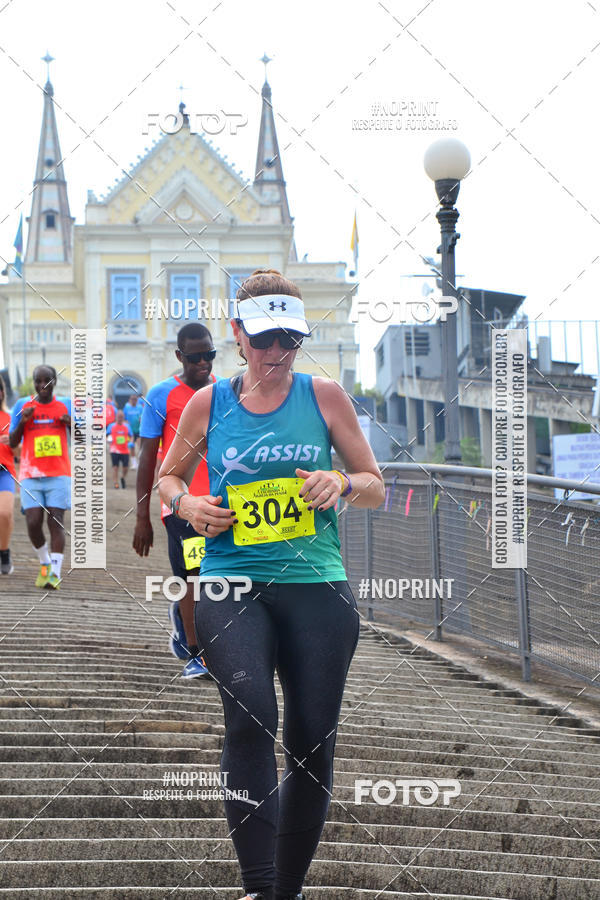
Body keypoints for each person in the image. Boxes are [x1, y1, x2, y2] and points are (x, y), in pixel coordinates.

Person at [158, 269, 385, 900]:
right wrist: (187, 505)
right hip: (231, 582)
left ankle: (286, 890)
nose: (277, 352)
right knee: (251, 715)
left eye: (290, 339)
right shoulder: (209, 404)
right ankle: (259, 887)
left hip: (317, 585)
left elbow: (374, 484)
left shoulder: (326, 397)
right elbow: (167, 481)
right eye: (264, 339)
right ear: (238, 334)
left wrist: (341, 482)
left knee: (311, 744)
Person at [134, 322, 217, 679]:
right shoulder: (161, 395)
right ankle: (197, 654)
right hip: (180, 502)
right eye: (195, 357)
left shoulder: (226, 392)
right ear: (179, 356)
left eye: (209, 355)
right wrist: (142, 518)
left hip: (223, 501)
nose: (203, 363)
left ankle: (190, 626)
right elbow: (147, 459)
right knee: (193, 577)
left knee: (223, 579)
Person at [9, 365, 71, 589]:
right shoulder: (22, 405)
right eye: (38, 380)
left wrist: (71, 424)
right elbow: (13, 442)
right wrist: (23, 421)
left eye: (47, 380)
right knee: (33, 522)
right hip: (30, 474)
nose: (42, 385)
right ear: (34, 382)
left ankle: (54, 573)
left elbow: (83, 437)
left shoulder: (66, 405)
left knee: (56, 521)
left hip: (58, 473)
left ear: (55, 381)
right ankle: (45, 562)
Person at [0, 375, 16, 575]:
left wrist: (12, 442)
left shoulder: (10, 418)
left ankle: (4, 553)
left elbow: (20, 451)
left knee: (4, 513)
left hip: (4, 471)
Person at [107, 410, 134, 489]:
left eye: (121, 417)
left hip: (125, 450)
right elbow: (107, 435)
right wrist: (108, 439)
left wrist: (131, 442)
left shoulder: (127, 426)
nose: (120, 418)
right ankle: (116, 483)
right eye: (118, 417)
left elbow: (131, 436)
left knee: (125, 468)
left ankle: (122, 477)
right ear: (116, 417)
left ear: (123, 417)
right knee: (115, 467)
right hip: (114, 450)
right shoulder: (111, 426)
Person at [123, 393, 142, 469]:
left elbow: (143, 416)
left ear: (137, 400)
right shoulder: (127, 407)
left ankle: (140, 462)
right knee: (132, 447)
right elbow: (124, 418)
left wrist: (141, 420)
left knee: (140, 446)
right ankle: (134, 463)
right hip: (130, 431)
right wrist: (126, 422)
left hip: (139, 430)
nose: (134, 401)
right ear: (130, 400)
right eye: (132, 399)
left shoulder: (140, 407)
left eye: (135, 399)